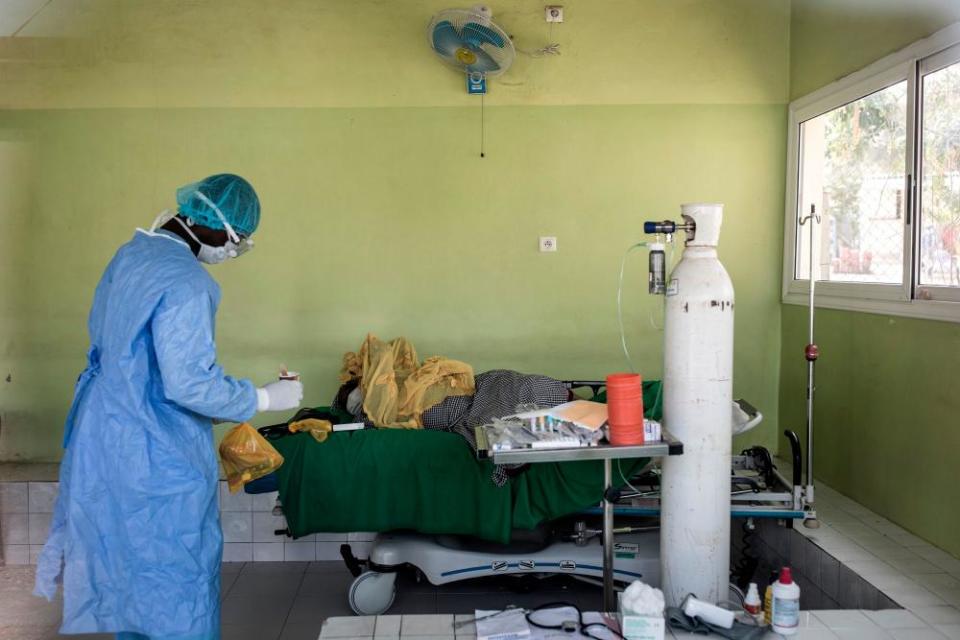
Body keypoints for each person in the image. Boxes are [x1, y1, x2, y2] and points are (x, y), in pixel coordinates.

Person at [33, 174, 304, 639]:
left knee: (131, 578)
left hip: (107, 437)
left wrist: (227, 399)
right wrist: (262, 398)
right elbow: (187, 384)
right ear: (211, 224)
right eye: (234, 240)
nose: (230, 250)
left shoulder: (130, 257)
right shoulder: (187, 282)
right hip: (157, 454)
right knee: (176, 578)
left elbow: (141, 368)